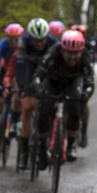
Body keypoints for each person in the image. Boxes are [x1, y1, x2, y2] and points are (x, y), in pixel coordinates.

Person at [32, 29, 94, 165]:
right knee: (44, 111)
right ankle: (42, 148)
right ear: (62, 50)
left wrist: (86, 95)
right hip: (53, 81)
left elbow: (90, 83)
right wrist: (39, 89)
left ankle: (71, 145)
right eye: (69, 53)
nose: (72, 57)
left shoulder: (85, 56)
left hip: (73, 82)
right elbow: (37, 76)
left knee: (74, 108)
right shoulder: (53, 52)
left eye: (76, 53)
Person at [15, 18, 57, 169]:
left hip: (48, 72)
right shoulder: (24, 42)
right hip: (30, 70)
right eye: (35, 40)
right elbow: (20, 66)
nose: (39, 44)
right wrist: (22, 88)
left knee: (51, 106)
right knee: (27, 108)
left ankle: (46, 145)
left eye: (42, 40)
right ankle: (24, 152)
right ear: (30, 37)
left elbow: (58, 67)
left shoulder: (53, 42)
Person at [0, 23, 25, 155]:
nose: (14, 43)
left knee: (17, 96)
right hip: (5, 70)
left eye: (17, 39)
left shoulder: (24, 46)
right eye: (11, 40)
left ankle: (15, 121)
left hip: (19, 71)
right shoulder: (2, 45)